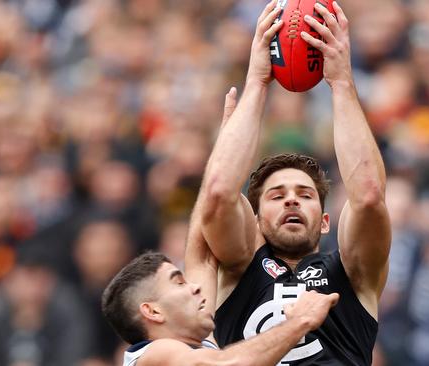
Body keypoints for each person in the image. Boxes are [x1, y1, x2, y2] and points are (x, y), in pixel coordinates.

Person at [197, 0, 390, 364]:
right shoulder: (237, 271)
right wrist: (256, 81)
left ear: (326, 219)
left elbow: (368, 196)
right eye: (276, 195)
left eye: (304, 194)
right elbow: (220, 190)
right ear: (253, 220)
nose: (291, 201)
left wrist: (341, 84)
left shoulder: (352, 273)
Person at [101, 252, 339, 366]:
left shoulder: (200, 347)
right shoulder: (155, 354)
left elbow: (202, 252)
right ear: (153, 312)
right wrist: (299, 322)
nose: (195, 287)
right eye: (179, 282)